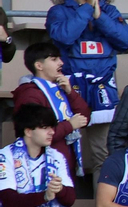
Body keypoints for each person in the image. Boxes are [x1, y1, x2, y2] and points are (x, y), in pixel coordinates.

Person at [47, 0, 128, 172]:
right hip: (68, 87)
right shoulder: (59, 11)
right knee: (61, 153)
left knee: (103, 155)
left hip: (102, 88)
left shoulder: (108, 11)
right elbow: (64, 36)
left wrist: (99, 16)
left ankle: (103, 205)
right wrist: (87, 8)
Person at [13, 42, 90, 174]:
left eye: (60, 58)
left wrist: (70, 92)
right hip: (43, 166)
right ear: (39, 65)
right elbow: (36, 133)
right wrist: (70, 126)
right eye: (54, 59)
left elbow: (85, 117)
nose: (61, 63)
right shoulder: (29, 93)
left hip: (65, 162)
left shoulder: (60, 88)